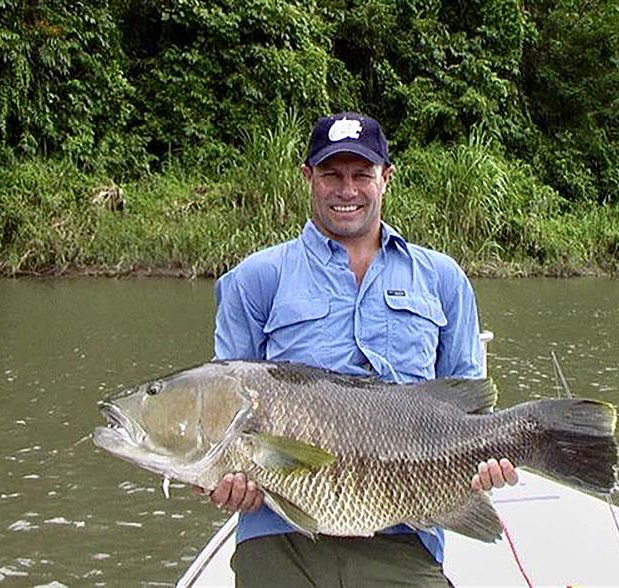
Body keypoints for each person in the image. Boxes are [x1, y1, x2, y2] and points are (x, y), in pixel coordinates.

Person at [200, 112, 518, 586]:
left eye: (361, 174)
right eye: (331, 174)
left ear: (385, 178)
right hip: (278, 533)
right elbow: (222, 412)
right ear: (309, 177)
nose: (346, 189)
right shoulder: (254, 280)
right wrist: (223, 482)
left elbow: (469, 405)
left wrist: (490, 460)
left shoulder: (443, 279)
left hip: (405, 531)